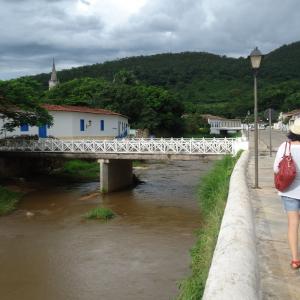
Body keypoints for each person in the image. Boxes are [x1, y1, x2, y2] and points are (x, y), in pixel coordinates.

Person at [274, 118, 300, 269]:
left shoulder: (285, 146)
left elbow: (277, 169)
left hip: (289, 192)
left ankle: (295, 260)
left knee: (293, 223)